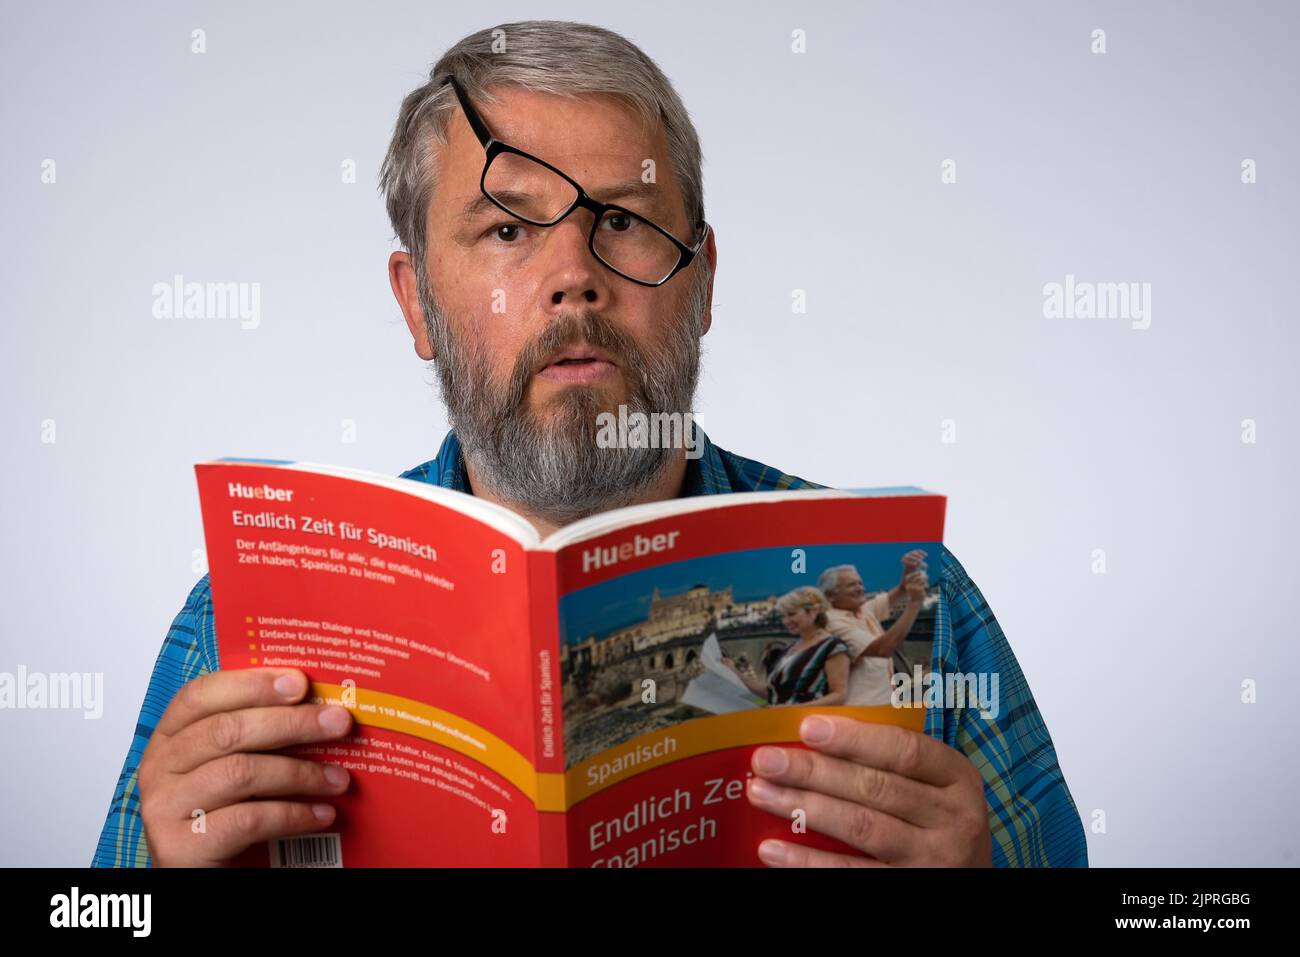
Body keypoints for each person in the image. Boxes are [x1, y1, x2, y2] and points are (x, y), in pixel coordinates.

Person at [92, 20, 1087, 868]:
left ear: (699, 285)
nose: (573, 276)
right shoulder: (245, 623)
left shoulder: (911, 601)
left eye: (620, 218)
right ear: (418, 306)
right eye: (507, 231)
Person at [819, 557, 928, 705]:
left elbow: (902, 589)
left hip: (884, 703)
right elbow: (883, 649)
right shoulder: (832, 622)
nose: (860, 588)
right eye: (852, 585)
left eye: (860, 583)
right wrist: (914, 604)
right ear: (830, 595)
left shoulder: (862, 610)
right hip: (863, 708)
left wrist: (909, 570)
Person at [721, 587, 850, 706]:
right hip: (782, 721)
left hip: (811, 723)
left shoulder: (832, 647)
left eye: (791, 614)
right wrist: (736, 673)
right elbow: (772, 693)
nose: (786, 621)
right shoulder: (789, 650)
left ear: (813, 612)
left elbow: (839, 696)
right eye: (783, 616)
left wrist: (791, 709)